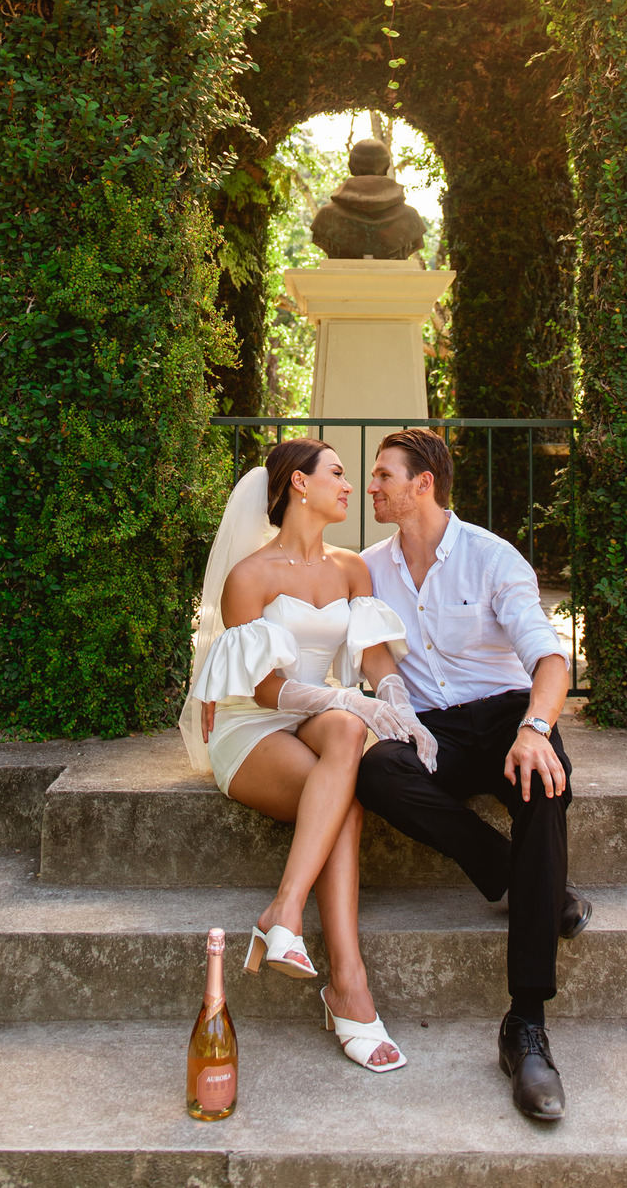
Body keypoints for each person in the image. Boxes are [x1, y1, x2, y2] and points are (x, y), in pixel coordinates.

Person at [179, 436, 439, 1073]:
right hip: (254, 725)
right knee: (343, 791)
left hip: (315, 720)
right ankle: (348, 985)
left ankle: (285, 911)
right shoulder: (250, 577)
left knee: (347, 734)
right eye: (339, 474)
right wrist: (347, 700)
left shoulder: (351, 569)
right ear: (299, 483)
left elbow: (375, 659)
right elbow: (264, 689)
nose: (352, 487)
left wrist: (398, 707)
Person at [355, 428, 592, 1122]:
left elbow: (550, 661)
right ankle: (527, 881)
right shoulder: (369, 568)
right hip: (434, 727)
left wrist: (535, 729)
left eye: (383, 475)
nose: (372, 486)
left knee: (544, 782)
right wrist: (397, 708)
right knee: (377, 770)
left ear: (423, 483)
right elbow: (369, 650)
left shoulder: (491, 556)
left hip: (508, 714)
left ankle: (526, 1024)